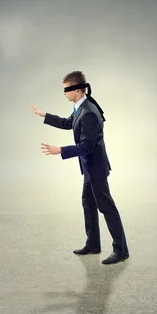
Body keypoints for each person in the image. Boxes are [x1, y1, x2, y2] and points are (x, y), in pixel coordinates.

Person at [29, 71, 129, 265]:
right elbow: (69, 123)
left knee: (107, 207)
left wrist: (61, 150)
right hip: (89, 168)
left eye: (66, 89)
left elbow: (88, 146)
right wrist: (45, 115)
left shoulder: (89, 112)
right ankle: (93, 245)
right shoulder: (80, 108)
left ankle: (121, 250)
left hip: (96, 168)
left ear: (77, 89)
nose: (64, 93)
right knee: (88, 204)